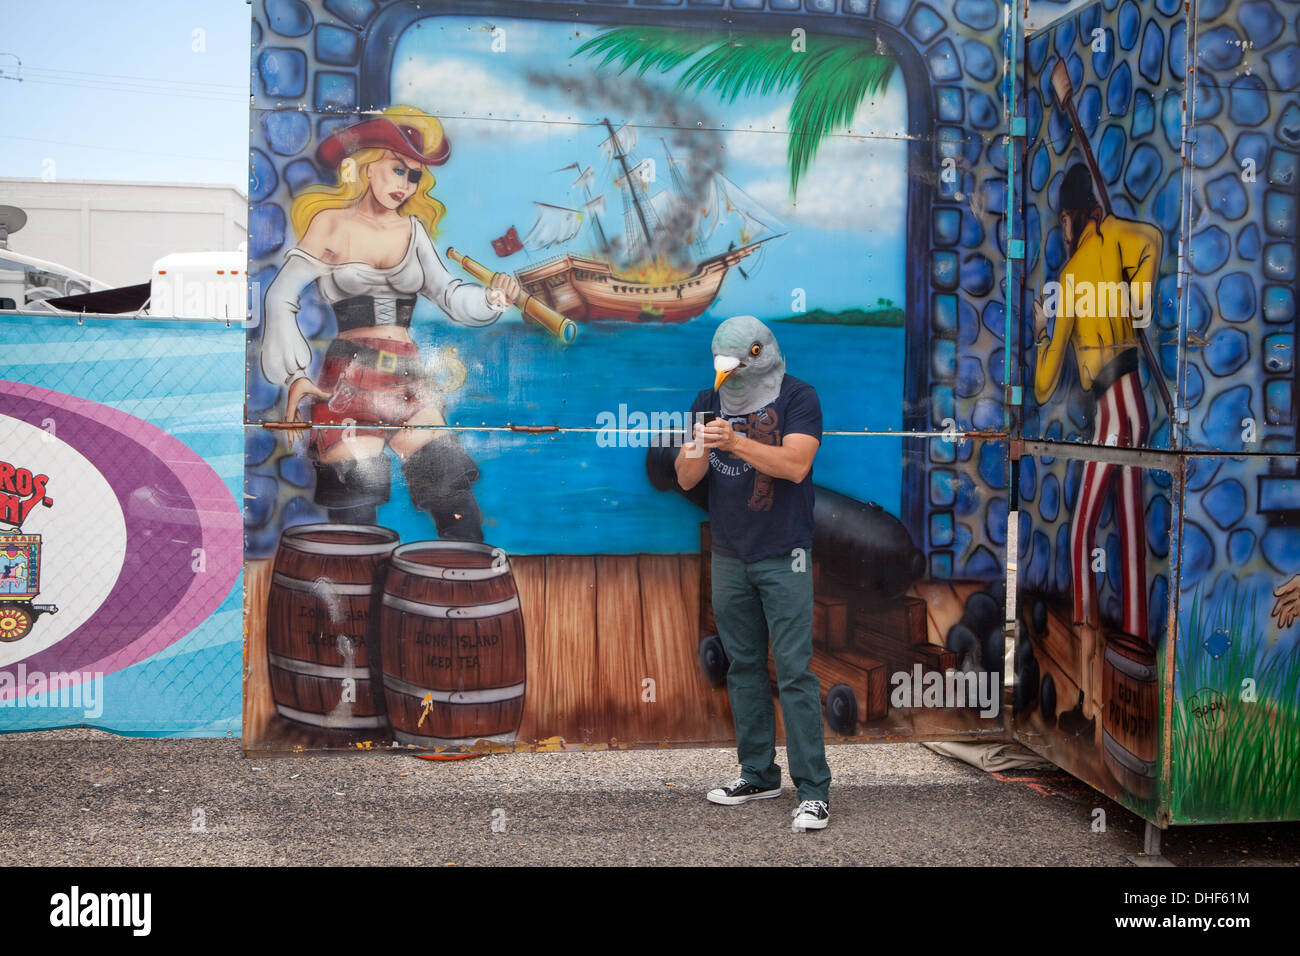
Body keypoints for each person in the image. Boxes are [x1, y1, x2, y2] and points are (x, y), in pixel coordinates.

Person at [261, 105, 520, 540]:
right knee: (357, 522)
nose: (404, 185)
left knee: (457, 506)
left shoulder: (414, 231)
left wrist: (492, 299)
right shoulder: (331, 224)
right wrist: (294, 376)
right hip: (347, 380)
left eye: (413, 176)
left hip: (408, 380)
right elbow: (281, 294)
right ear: (365, 168)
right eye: (397, 170)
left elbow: (450, 295)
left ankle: (455, 600)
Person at [675, 314, 832, 831]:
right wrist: (704, 442)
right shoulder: (707, 402)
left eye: (735, 366)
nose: (727, 380)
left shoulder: (798, 397)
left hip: (784, 552)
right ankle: (758, 774)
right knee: (743, 666)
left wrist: (737, 442)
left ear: (757, 355)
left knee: (793, 670)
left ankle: (813, 790)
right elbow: (685, 476)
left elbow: (795, 466)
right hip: (729, 554)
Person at [1033, 163, 1162, 721]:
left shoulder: (1068, 278)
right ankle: (1134, 675)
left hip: (1112, 417)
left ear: (1068, 219)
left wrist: (1043, 329)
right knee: (1130, 538)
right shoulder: (1121, 239)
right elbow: (1154, 240)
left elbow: (1042, 385)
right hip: (1139, 407)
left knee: (1082, 532)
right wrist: (1140, 303)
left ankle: (1087, 694)